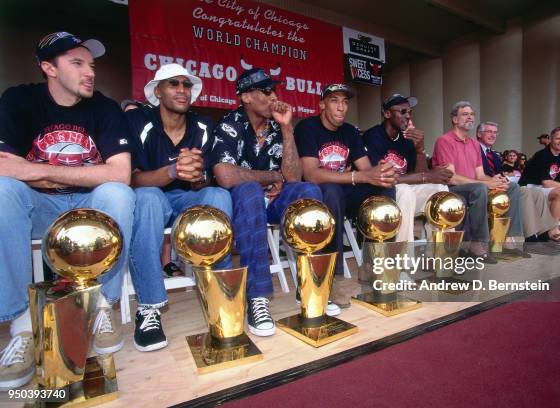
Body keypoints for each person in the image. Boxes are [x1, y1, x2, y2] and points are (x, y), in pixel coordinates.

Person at [0, 32, 135, 389]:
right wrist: (58, 177)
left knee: (118, 194)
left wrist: (39, 170)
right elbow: (5, 168)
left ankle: (103, 305)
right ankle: (22, 325)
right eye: (77, 63)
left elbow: (119, 172)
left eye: (91, 64)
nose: (89, 72)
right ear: (49, 68)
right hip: (42, 208)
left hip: (88, 206)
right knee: (2, 191)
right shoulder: (20, 100)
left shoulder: (104, 107)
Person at [125, 63, 234, 351]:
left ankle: (219, 293)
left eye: (186, 85)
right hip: (153, 196)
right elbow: (131, 180)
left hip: (188, 198)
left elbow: (209, 178)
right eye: (173, 84)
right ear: (158, 91)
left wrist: (197, 175)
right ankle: (148, 307)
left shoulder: (203, 126)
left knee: (219, 196)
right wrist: (174, 171)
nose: (182, 90)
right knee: (146, 198)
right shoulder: (139, 121)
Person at [212, 68, 322, 336]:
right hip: (241, 205)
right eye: (266, 90)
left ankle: (311, 285)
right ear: (246, 96)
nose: (274, 96)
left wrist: (286, 128)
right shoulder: (230, 124)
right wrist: (271, 176)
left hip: (273, 202)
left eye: (274, 90)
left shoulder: (276, 126)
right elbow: (226, 176)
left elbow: (293, 176)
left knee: (309, 191)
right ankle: (257, 298)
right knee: (249, 190)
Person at [295, 84, 397, 306]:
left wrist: (380, 173)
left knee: (384, 188)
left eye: (345, 102)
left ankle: (374, 266)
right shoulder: (307, 127)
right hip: (317, 197)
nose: (341, 107)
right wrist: (358, 177)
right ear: (322, 104)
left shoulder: (350, 131)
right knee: (332, 191)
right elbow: (311, 174)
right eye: (334, 100)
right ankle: (332, 277)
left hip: (346, 193)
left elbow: (366, 169)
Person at [432, 102, 523, 263]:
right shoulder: (444, 141)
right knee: (480, 188)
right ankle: (476, 244)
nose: (470, 117)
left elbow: (480, 175)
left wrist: (496, 181)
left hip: (474, 186)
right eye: (465, 114)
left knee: (512, 186)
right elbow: (451, 177)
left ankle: (508, 238)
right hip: (452, 188)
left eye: (472, 114)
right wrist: (486, 184)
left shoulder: (474, 144)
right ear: (454, 119)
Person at [363, 94, 451, 242]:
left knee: (440, 190)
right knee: (405, 191)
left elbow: (419, 175)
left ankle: (441, 256)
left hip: (404, 196)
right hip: (379, 195)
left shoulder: (406, 140)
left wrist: (420, 150)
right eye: (403, 112)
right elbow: (381, 177)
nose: (408, 116)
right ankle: (402, 258)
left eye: (410, 112)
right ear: (387, 114)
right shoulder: (373, 136)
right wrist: (426, 176)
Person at [476, 122, 560, 255]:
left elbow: (499, 174)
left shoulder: (494, 154)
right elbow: (478, 174)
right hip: (486, 187)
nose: (493, 135)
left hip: (500, 185)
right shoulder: (474, 149)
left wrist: (502, 180)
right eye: (489, 131)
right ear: (479, 134)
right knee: (524, 192)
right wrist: (496, 181)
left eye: (495, 132)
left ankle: (543, 237)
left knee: (536, 193)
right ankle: (531, 240)